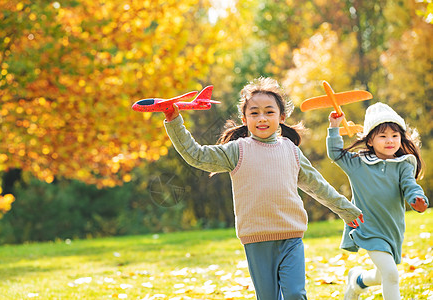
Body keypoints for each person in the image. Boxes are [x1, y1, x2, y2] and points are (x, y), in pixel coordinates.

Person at [163, 77, 363, 300]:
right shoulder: (237, 151)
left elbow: (318, 186)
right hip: (256, 240)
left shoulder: (291, 151)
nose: (262, 118)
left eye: (269, 112)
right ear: (244, 118)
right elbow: (196, 155)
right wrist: (174, 120)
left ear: (281, 117)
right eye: (254, 113)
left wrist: (345, 209)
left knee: (296, 293)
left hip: (291, 237)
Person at [327, 102, 429, 300]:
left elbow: (410, 186)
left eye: (394, 135)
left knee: (382, 274)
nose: (389, 140)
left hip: (392, 228)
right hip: (367, 227)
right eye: (382, 136)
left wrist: (418, 199)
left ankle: (357, 281)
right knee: (391, 274)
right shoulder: (358, 163)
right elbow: (335, 153)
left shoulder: (404, 164)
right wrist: (334, 127)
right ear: (370, 140)